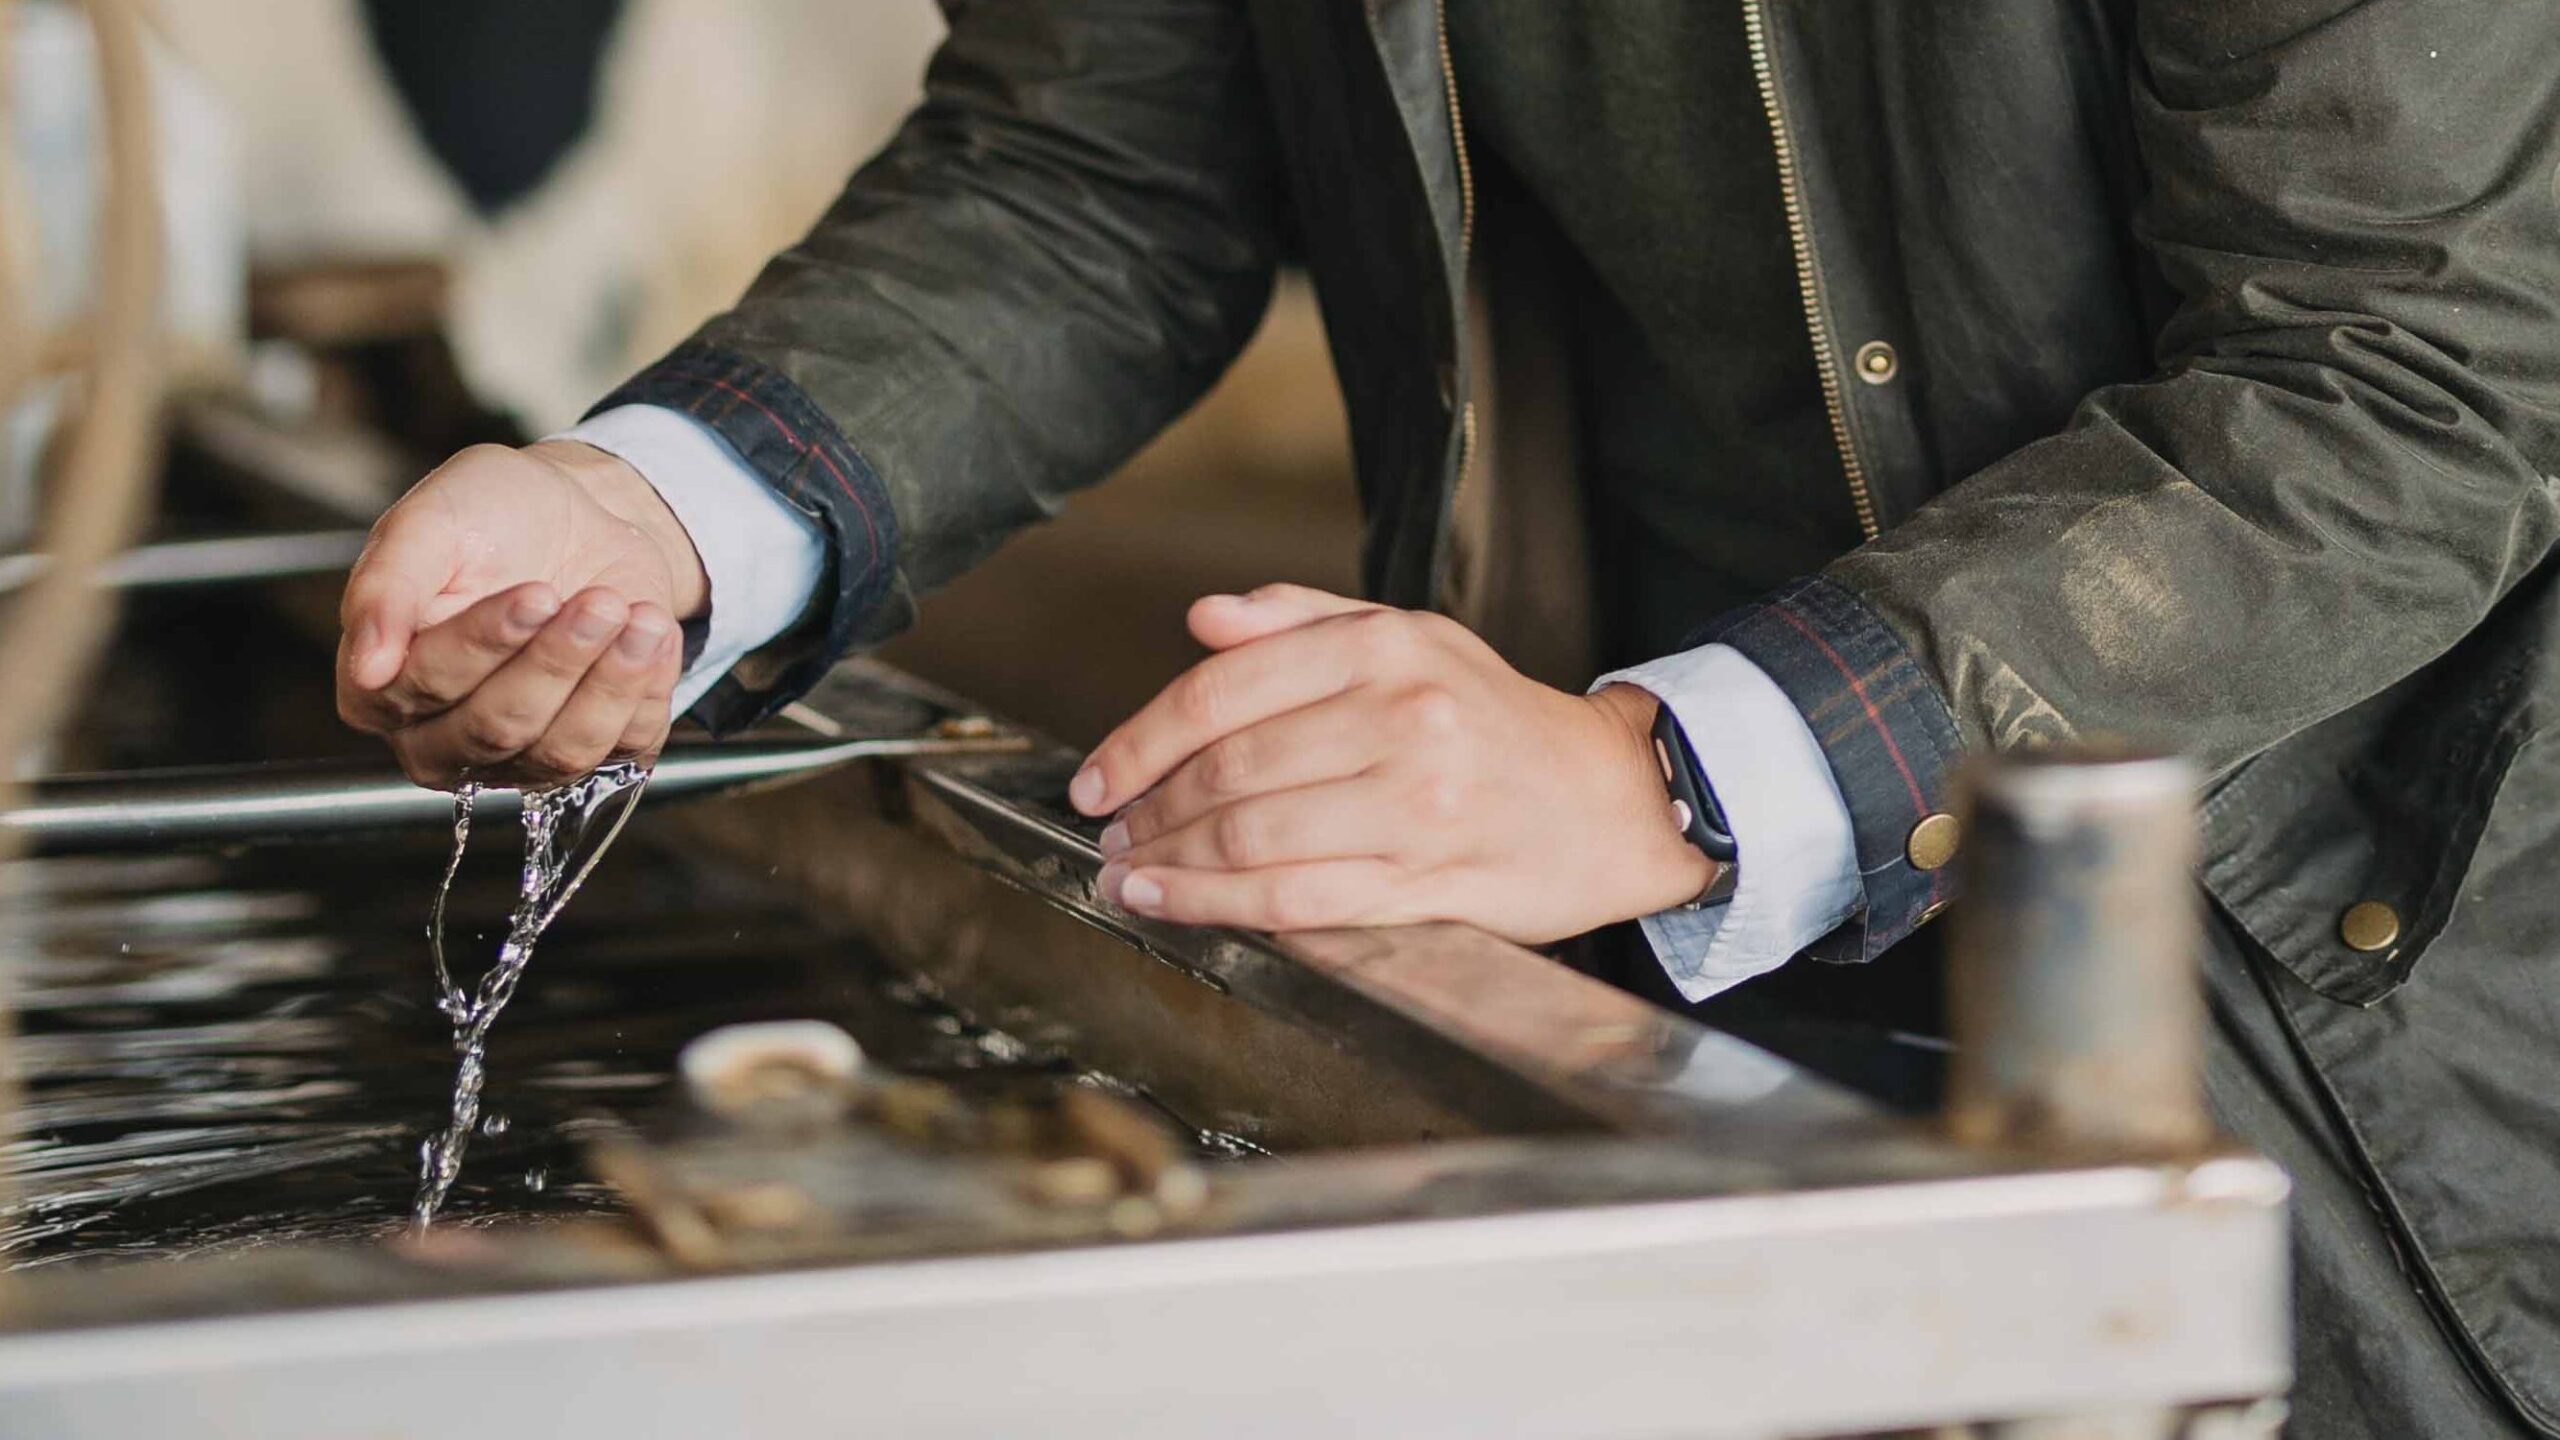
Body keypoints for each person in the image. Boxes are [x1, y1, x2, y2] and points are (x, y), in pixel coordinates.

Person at [335, 5, 2560, 1434]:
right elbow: (1091, 168)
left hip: (2338, 932)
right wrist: (649, 509)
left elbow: (2404, 376)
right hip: (1605, 903)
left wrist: (1657, 774)